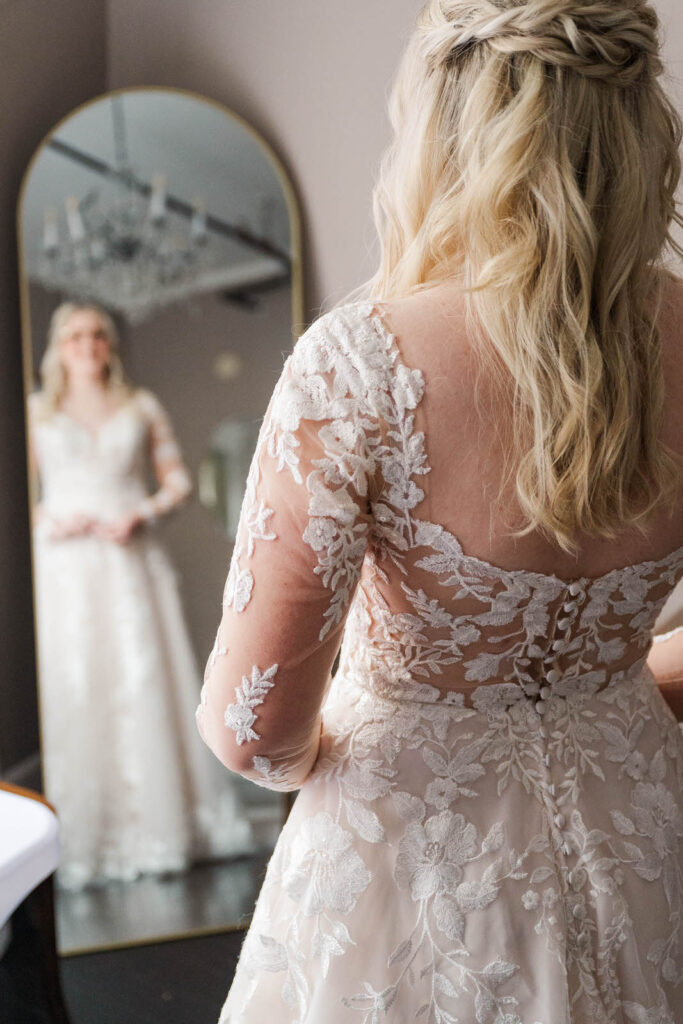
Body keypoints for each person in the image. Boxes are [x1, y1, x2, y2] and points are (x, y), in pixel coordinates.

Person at [195, 1, 683, 1020]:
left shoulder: (359, 364)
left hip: (407, 876)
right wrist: (604, 690)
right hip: (642, 831)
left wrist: (389, 714)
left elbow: (253, 729)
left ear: (445, 127)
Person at [29, 301, 253, 891]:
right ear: (59, 346)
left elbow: (179, 481)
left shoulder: (140, 405)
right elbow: (20, 492)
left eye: (97, 334)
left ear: (109, 345)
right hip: (66, 568)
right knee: (79, 681)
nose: (87, 344)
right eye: (74, 335)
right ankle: (79, 838)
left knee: (142, 679)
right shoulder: (36, 413)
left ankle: (165, 829)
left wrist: (141, 513)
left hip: (129, 560)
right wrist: (49, 520)